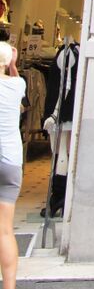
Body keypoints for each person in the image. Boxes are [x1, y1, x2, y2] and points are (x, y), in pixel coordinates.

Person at [0, 42, 26, 289]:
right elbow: (15, 80)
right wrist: (13, 65)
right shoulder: (18, 85)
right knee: (5, 230)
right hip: (10, 161)